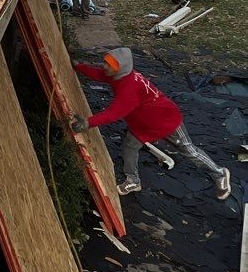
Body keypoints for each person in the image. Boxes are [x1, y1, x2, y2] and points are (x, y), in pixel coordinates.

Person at [71, 47, 231, 198]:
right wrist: (79, 67)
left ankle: (219, 172)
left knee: (189, 150)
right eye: (106, 62)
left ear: (120, 68)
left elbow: (113, 114)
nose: (104, 66)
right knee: (130, 146)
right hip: (143, 125)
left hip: (166, 121)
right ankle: (133, 181)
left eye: (109, 65)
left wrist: (88, 123)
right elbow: (100, 74)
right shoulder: (120, 75)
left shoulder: (129, 89)